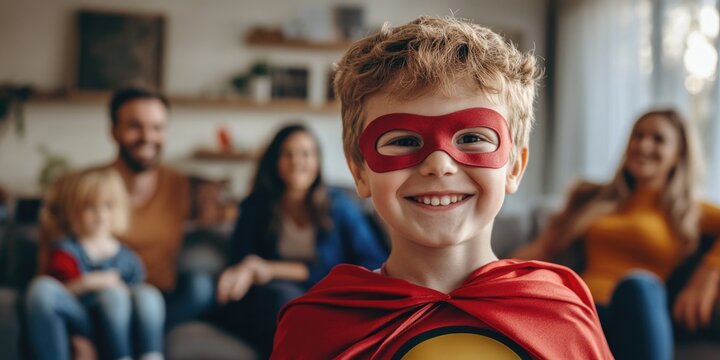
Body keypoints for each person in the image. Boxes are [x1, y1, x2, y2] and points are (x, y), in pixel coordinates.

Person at [271, 16, 612, 359]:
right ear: (360, 171)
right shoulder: (316, 326)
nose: (439, 164)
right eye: (403, 140)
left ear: (515, 167)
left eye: (473, 138)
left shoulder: (559, 314)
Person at [514, 109, 720, 359]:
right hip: (583, 311)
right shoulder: (593, 197)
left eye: (658, 139)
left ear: (678, 154)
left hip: (637, 316)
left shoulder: (689, 211)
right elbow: (543, 248)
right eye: (638, 136)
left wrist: (709, 272)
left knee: (638, 285)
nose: (643, 145)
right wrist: (494, 271)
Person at [213, 123, 387, 357]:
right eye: (288, 154)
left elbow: (374, 260)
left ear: (317, 161)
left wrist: (267, 268)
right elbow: (241, 257)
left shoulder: (339, 206)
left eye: (306, 153)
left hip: (327, 296)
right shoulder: (257, 206)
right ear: (275, 161)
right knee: (282, 299)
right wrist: (243, 271)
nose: (297, 161)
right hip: (272, 300)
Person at [25, 168, 165, 360]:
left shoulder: (128, 258)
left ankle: (150, 355)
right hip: (83, 318)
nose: (100, 214)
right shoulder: (66, 252)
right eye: (90, 207)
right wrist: (90, 283)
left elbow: (135, 296)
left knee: (146, 295)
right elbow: (57, 294)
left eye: (108, 206)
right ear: (74, 211)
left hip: (117, 327)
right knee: (41, 289)